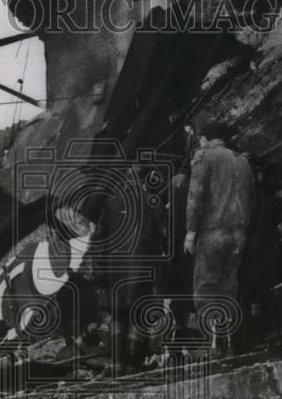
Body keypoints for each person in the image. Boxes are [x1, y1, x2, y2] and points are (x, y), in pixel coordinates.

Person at [183, 119, 255, 351]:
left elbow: (196, 197)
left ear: (204, 139)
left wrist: (190, 232)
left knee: (206, 287)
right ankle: (230, 341)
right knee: (228, 287)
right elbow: (252, 200)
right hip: (239, 234)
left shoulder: (205, 157)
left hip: (213, 232)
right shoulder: (243, 161)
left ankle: (214, 345)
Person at [92, 168, 166, 373]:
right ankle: (132, 364)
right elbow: (164, 235)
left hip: (115, 269)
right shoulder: (153, 201)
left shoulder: (111, 203)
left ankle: (117, 364)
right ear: (143, 181)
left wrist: (99, 275)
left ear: (125, 182)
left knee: (118, 314)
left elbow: (98, 241)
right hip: (143, 265)